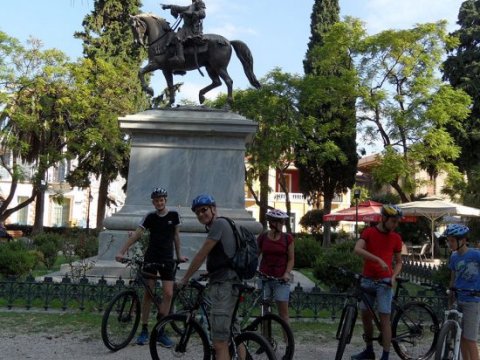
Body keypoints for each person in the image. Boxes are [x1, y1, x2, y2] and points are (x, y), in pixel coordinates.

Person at [115, 187, 187, 347]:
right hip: (151, 258)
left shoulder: (174, 215)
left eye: (161, 200)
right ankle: (145, 329)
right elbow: (137, 234)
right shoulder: (150, 217)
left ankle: (161, 330)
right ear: (153, 202)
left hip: (167, 259)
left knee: (168, 293)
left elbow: (176, 237)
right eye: (156, 200)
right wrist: (121, 250)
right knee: (149, 293)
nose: (159, 203)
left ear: (165, 200)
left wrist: (179, 255)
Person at [177, 194, 241, 360]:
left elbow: (201, 255)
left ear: (213, 209)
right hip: (230, 281)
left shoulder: (218, 224)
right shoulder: (226, 223)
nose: (200, 214)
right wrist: (209, 272)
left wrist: (184, 279)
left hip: (223, 287)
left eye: (204, 210)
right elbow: (225, 256)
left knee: (219, 342)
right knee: (235, 334)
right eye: (197, 212)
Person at [352, 204, 404, 360]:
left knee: (384, 319)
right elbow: (357, 249)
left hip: (384, 282)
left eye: (397, 222)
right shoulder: (369, 232)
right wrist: (377, 259)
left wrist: (393, 276)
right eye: (393, 221)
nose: (395, 225)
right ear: (384, 218)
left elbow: (399, 262)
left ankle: (385, 356)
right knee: (366, 316)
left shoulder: (396, 238)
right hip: (368, 279)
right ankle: (369, 350)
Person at [444, 224, 480, 360]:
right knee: (461, 337)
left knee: (470, 339)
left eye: (452, 241)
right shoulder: (454, 257)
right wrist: (450, 297)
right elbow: (453, 279)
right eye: (448, 240)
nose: (449, 243)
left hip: (473, 301)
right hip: (459, 299)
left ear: (463, 240)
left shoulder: (476, 255)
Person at [257, 208, 294, 324]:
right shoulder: (263, 237)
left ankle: (288, 340)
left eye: (283, 222)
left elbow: (291, 259)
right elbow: (255, 255)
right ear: (273, 223)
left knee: (283, 313)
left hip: (281, 279)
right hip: (264, 278)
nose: (283, 224)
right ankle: (265, 339)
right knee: (264, 312)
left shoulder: (287, 238)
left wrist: (287, 273)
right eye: (281, 222)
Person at [161, 0, 206, 65]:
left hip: (193, 29)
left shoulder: (199, 4)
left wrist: (186, 13)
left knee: (177, 38)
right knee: (172, 36)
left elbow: (202, 14)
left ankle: (180, 57)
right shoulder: (190, 7)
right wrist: (168, 6)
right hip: (186, 28)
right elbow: (179, 8)